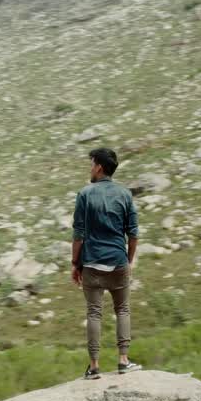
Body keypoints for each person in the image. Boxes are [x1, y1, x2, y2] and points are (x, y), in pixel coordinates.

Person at [71, 148, 142, 380]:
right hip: (118, 261)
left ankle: (94, 367)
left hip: (92, 263)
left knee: (94, 313)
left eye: (91, 164)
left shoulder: (85, 194)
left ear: (99, 167)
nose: (90, 169)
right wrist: (128, 261)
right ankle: (123, 361)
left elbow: (78, 234)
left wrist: (75, 264)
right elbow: (132, 234)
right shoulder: (124, 195)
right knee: (122, 309)